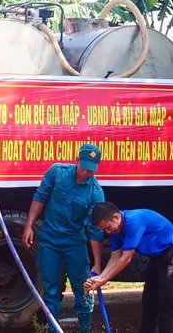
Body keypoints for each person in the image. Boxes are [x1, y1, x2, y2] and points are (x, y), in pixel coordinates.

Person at [23, 143, 106, 333]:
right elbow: (40, 197)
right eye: (84, 167)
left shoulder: (95, 192)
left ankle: (85, 329)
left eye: (91, 170)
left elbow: (95, 230)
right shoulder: (57, 172)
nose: (86, 173)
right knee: (50, 290)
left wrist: (97, 263)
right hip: (50, 241)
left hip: (75, 244)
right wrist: (29, 225)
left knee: (83, 289)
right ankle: (53, 329)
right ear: (76, 160)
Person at [85, 202, 173, 333]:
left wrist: (104, 280)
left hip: (172, 252)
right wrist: (100, 278)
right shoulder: (115, 230)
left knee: (165, 302)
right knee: (149, 300)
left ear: (115, 217)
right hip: (156, 256)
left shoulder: (134, 221)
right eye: (105, 230)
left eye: (108, 227)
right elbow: (115, 257)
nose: (108, 232)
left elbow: (126, 258)